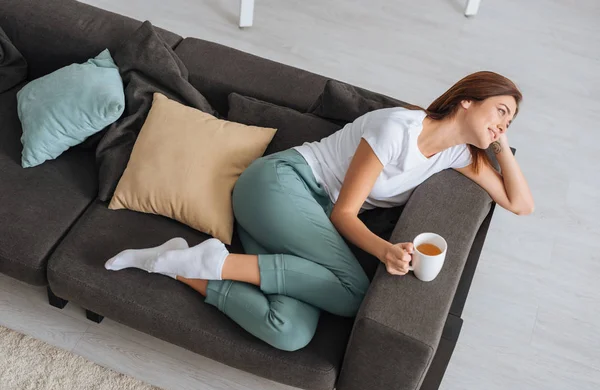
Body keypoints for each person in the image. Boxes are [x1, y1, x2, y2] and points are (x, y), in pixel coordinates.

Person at [105, 71, 534, 351]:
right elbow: (343, 215)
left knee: (289, 331)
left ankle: (175, 264)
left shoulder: (457, 155)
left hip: (300, 220)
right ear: (467, 100)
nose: (503, 123)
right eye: (500, 110)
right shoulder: (397, 128)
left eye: (510, 121)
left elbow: (520, 204)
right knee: (352, 294)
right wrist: (384, 251)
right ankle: (216, 261)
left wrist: (498, 143)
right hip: (279, 187)